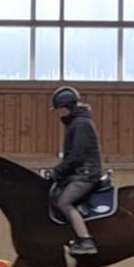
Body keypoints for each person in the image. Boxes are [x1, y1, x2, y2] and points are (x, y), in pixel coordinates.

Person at [48, 86, 103, 255]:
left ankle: (86, 240)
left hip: (86, 173)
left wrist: (57, 172)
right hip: (80, 171)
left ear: (66, 108)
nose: (57, 113)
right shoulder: (76, 122)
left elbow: (76, 156)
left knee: (64, 202)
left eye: (59, 109)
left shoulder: (80, 124)